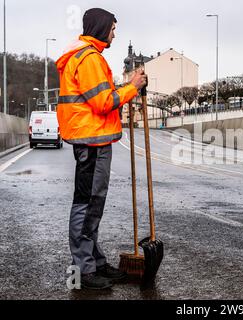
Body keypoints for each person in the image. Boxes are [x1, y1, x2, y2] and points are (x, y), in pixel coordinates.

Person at [56, 8, 147, 290]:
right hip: (92, 141)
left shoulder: (86, 55)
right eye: (112, 28)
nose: (114, 33)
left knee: (92, 203)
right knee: (87, 203)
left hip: (93, 140)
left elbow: (101, 95)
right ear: (101, 27)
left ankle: (93, 261)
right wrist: (131, 88)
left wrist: (128, 87)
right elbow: (103, 103)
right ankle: (84, 269)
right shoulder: (89, 57)